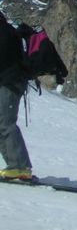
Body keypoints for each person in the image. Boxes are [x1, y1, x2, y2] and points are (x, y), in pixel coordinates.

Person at [0, 12, 33, 180]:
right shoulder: (7, 31)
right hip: (9, 82)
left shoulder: (4, 32)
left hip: (10, 83)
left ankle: (19, 167)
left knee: (6, 124)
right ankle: (16, 166)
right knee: (2, 124)